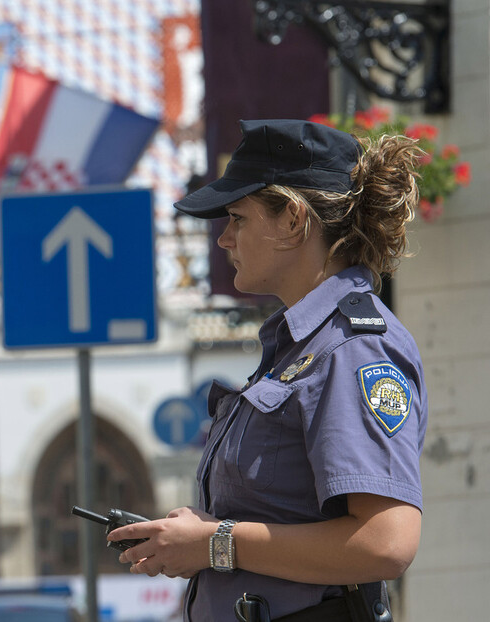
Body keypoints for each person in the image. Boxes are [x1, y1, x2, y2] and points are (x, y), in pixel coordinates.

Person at [108, 119, 426, 621]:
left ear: (294, 221)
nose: (224, 239)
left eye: (238, 218)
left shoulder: (351, 347)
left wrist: (217, 543)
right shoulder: (301, 345)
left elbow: (384, 542)